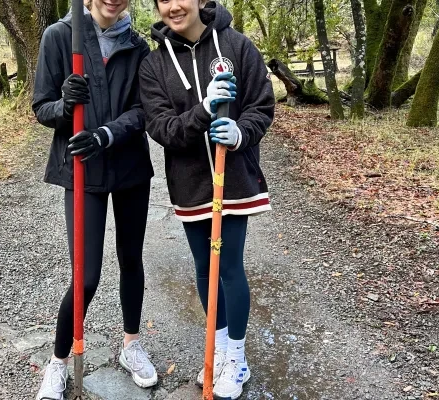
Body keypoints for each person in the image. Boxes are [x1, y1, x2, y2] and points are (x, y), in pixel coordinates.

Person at [139, 0, 275, 398]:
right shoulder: (154, 64)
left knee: (228, 265)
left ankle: (236, 357)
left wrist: (240, 132)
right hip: (190, 182)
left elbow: (261, 106)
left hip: (233, 178)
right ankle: (213, 349)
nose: (173, 6)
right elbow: (161, 127)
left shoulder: (237, 46)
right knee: (204, 266)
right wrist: (202, 111)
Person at [32, 0, 157, 398]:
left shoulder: (138, 47)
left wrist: (106, 134)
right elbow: (41, 107)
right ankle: (59, 362)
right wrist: (65, 106)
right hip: (82, 171)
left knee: (131, 259)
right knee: (85, 275)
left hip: (129, 169)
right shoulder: (59, 37)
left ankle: (131, 345)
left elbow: (143, 112)